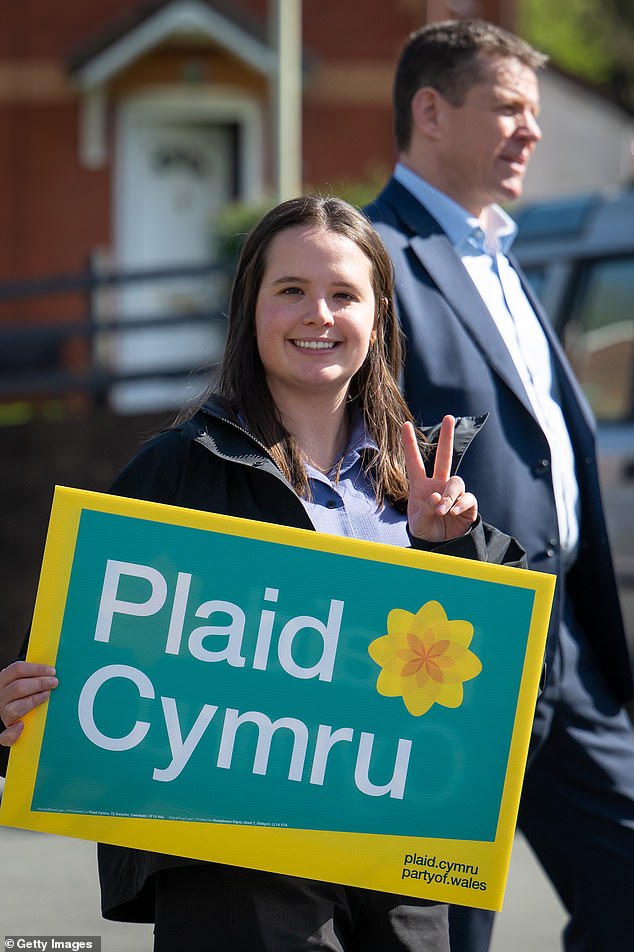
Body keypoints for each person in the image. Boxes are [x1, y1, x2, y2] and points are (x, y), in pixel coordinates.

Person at [0, 194, 526, 951]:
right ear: (251, 310)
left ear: (377, 317)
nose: (319, 314)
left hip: (397, 872)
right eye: (292, 292)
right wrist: (21, 701)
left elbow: (514, 686)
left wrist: (453, 551)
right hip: (234, 875)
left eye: (344, 294)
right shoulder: (174, 471)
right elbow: (70, 660)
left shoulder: (424, 484)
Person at [365, 18, 634, 952]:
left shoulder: (500, 256)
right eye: (510, 108)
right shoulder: (369, 262)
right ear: (431, 111)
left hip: (567, 646)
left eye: (535, 112)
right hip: (448, 649)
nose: (533, 130)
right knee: (445, 933)